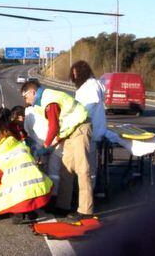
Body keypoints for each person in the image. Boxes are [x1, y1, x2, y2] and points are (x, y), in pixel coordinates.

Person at [20, 80, 93, 221]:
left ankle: (86, 210)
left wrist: (46, 145)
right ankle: (63, 206)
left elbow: (53, 127)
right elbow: (59, 127)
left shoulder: (49, 101)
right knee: (66, 169)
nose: (26, 101)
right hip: (70, 131)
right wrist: (51, 144)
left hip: (81, 126)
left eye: (25, 96)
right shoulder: (44, 101)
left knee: (82, 169)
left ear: (33, 92)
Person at [0, 127, 53, 224]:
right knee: (29, 189)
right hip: (35, 183)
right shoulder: (22, 146)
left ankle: (18, 213)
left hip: (16, 190)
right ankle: (29, 211)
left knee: (10, 192)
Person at [69, 60, 107, 189]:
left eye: (76, 73)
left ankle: (90, 191)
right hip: (89, 129)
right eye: (73, 74)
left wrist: (73, 119)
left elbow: (88, 108)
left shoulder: (91, 86)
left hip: (90, 130)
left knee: (88, 165)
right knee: (87, 164)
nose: (74, 77)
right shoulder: (88, 85)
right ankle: (87, 189)